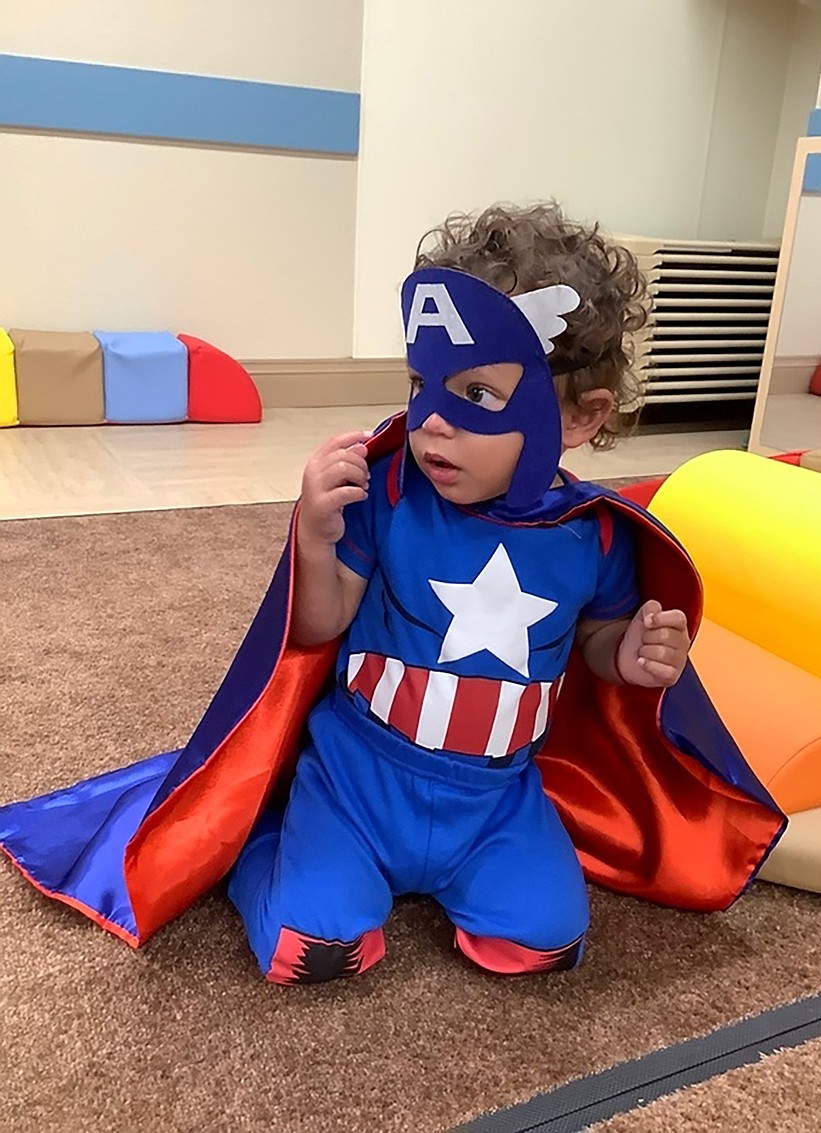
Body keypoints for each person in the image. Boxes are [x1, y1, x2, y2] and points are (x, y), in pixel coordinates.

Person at [226, 202, 693, 984]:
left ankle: (465, 880)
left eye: (477, 397)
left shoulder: (597, 534)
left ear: (581, 416)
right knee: (310, 947)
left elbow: (596, 645)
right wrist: (313, 532)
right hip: (356, 783)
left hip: (495, 802)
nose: (432, 423)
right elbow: (318, 623)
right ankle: (260, 845)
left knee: (549, 941)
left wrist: (632, 655)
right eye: (422, 384)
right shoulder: (390, 492)